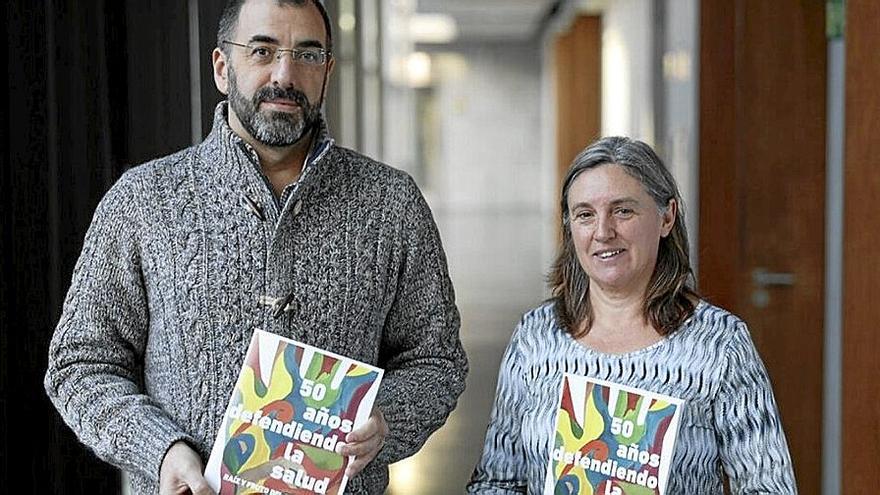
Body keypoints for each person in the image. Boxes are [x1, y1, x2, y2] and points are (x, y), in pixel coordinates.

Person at [43, 1, 467, 494]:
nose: (285, 74)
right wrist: (160, 449)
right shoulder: (143, 201)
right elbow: (80, 364)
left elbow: (436, 362)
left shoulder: (390, 203)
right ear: (223, 68)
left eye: (307, 55)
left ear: (327, 71)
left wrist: (387, 419)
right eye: (262, 51)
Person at [467, 137, 796, 494]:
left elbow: (769, 488)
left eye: (623, 210)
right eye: (585, 215)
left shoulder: (720, 345)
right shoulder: (535, 337)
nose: (603, 232)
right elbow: (496, 482)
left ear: (666, 217)